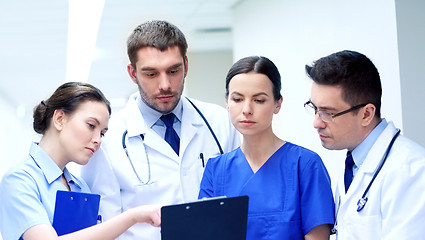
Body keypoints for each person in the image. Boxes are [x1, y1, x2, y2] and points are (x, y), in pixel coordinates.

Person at [80, 20, 240, 239]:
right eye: (151, 74)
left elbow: (237, 198)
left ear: (186, 65)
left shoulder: (219, 122)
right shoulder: (107, 140)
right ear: (132, 73)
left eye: (173, 70)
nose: (165, 84)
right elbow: (105, 228)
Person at [0, 82, 161, 240]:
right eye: (91, 125)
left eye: (102, 133)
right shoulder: (19, 180)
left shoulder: (80, 187)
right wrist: (132, 217)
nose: (98, 140)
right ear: (59, 119)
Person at [199, 56, 335, 240]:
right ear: (227, 102)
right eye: (238, 99)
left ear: (278, 103)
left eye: (259, 100)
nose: (246, 109)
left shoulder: (305, 165)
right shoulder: (216, 170)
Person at [304, 50, 425, 239]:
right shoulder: (353, 165)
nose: (316, 123)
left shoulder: (413, 172)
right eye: (315, 109)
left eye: (328, 113)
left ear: (366, 114)